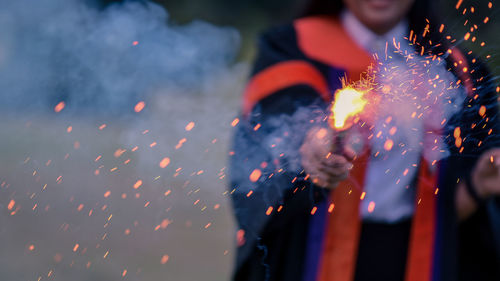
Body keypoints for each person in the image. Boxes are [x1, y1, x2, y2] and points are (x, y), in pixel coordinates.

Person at [229, 0, 500, 281]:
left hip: (416, 255)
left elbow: (456, 216)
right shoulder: (292, 47)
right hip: (310, 254)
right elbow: (283, 113)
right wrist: (309, 147)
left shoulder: (459, 71)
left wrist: (478, 185)